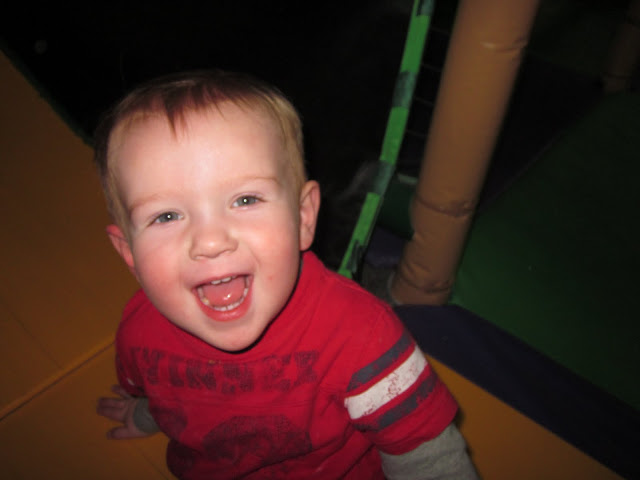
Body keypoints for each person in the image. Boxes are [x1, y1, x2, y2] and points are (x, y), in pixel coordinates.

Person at [95, 69, 478, 479]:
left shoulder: (362, 337)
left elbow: (429, 458)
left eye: (245, 199)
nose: (209, 241)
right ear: (129, 254)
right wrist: (146, 415)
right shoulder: (139, 332)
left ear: (303, 218)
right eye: (166, 216)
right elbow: (166, 390)